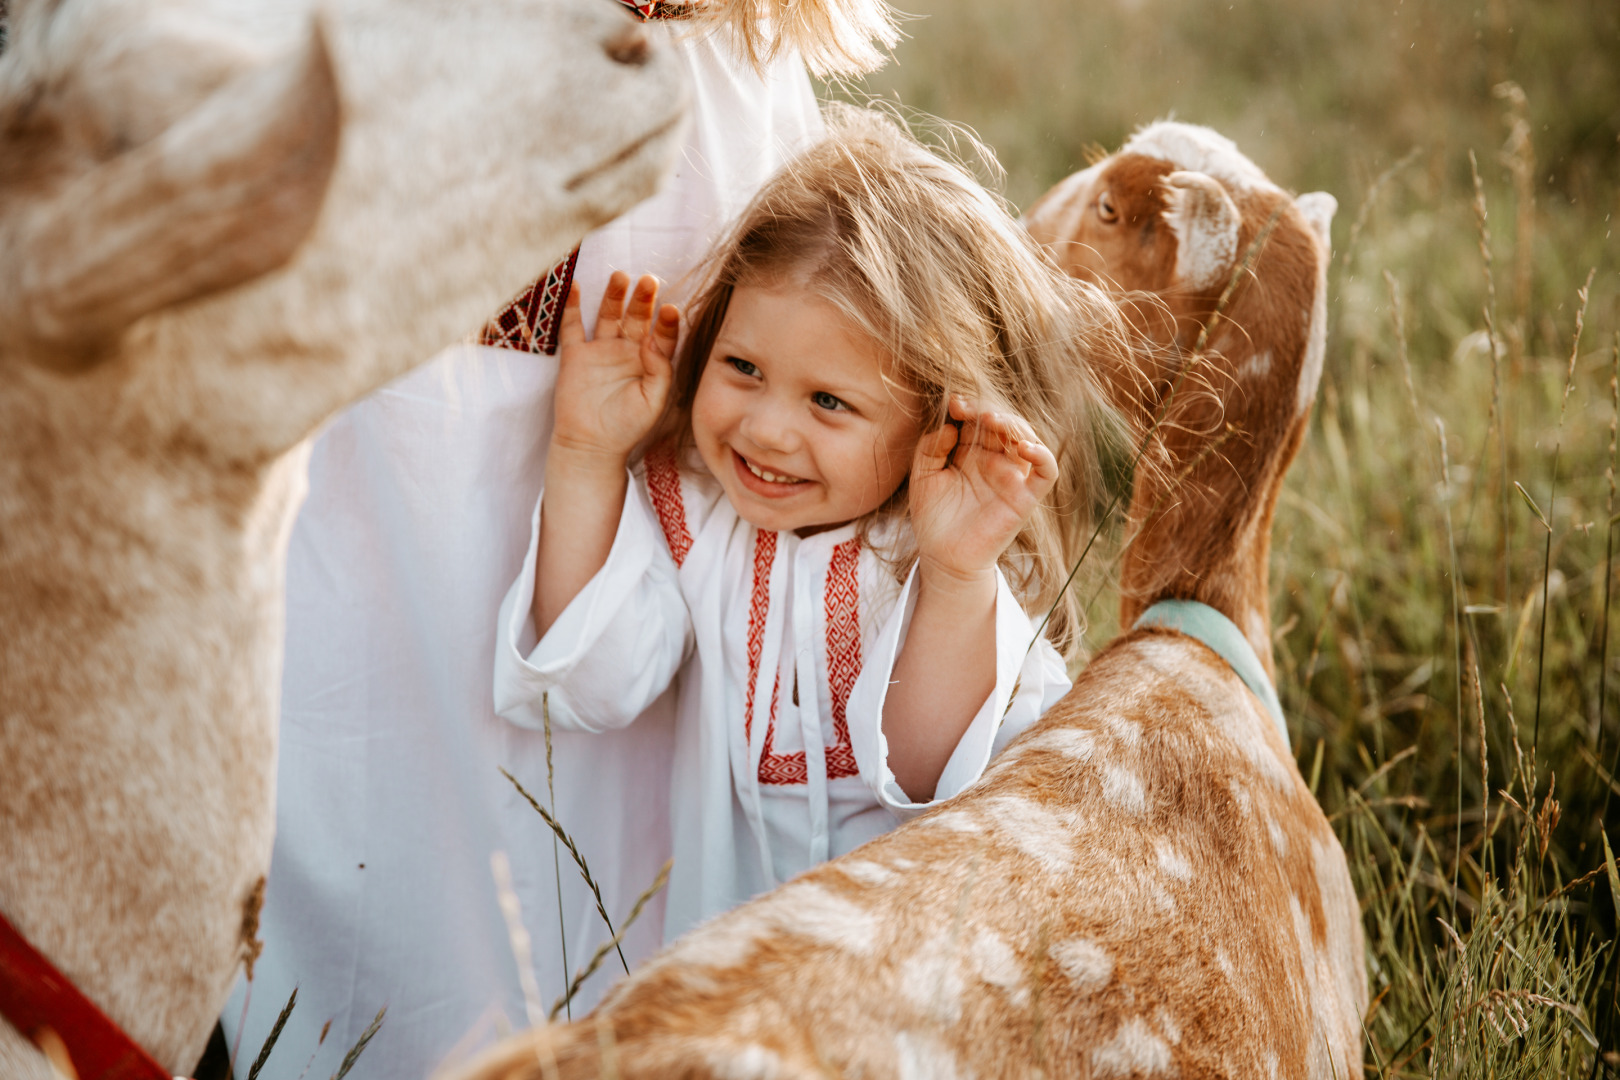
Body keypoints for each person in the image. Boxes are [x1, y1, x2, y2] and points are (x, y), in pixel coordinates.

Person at [222, 5, 902, 1078]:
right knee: (342, 738)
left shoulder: (731, 80)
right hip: (401, 115)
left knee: (589, 868)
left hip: (677, 133)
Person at [493, 108, 1123, 937]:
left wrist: (958, 574)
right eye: (743, 368)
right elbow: (591, 687)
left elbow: (935, 774)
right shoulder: (698, 517)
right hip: (721, 983)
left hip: (907, 981)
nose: (765, 430)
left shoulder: (948, 546)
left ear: (939, 415)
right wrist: (584, 452)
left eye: (829, 401)